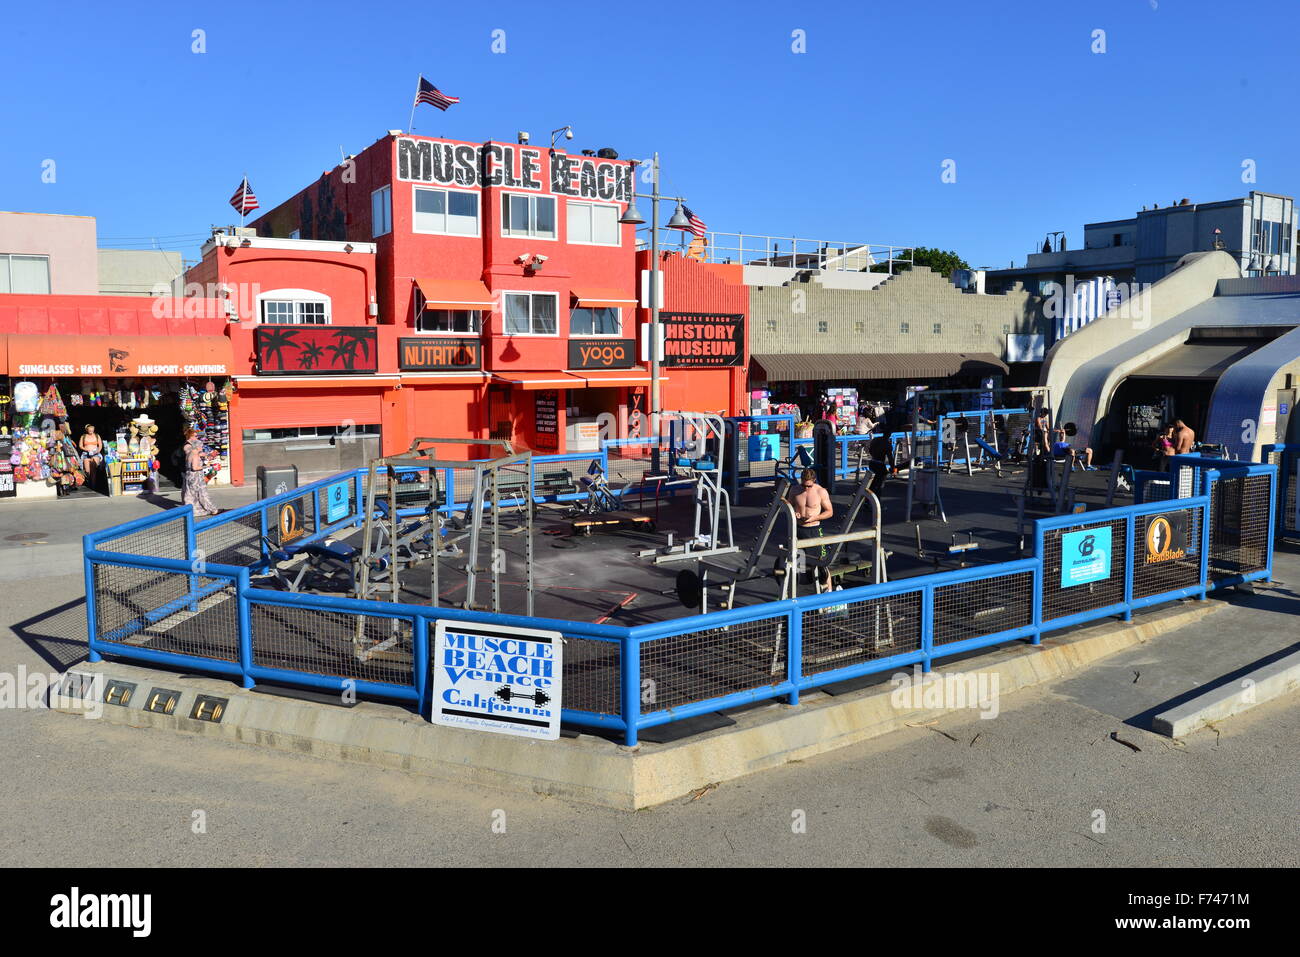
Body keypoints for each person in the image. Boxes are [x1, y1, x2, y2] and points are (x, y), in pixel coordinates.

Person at [787, 467, 833, 588]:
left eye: (809, 486)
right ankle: (792, 597)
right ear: (801, 480)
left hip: (814, 530)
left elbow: (829, 512)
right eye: (804, 485)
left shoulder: (821, 491)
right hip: (798, 530)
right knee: (796, 565)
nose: (806, 488)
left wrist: (815, 518)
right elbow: (788, 506)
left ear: (814, 480)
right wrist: (794, 513)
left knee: (822, 565)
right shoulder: (794, 490)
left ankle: (829, 598)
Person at [181, 428, 219, 517]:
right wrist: (206, 467)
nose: (197, 437)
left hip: (190, 474)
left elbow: (200, 454)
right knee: (201, 492)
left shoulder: (193, 451)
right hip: (195, 475)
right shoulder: (188, 447)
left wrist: (209, 455)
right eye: (195, 436)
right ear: (190, 436)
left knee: (190, 493)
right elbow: (195, 466)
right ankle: (212, 509)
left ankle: (191, 510)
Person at [79, 424, 103, 492]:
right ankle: (90, 482)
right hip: (86, 454)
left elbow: (100, 445)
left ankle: (93, 486)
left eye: (92, 430)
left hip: (95, 454)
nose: (91, 431)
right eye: (89, 430)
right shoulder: (83, 436)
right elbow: (80, 445)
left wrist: (97, 451)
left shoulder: (97, 436)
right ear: (87, 430)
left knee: (93, 470)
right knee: (87, 471)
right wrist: (86, 450)